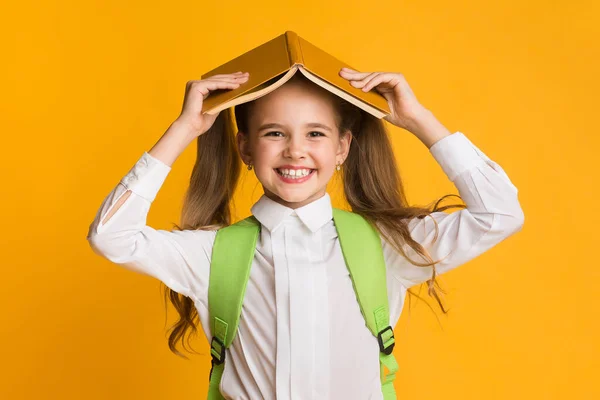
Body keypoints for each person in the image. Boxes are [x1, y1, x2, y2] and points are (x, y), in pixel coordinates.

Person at [87, 68, 524, 399]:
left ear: (342, 149)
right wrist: (184, 129)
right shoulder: (211, 253)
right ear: (244, 148)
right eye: (274, 133)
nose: (295, 149)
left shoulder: (386, 246)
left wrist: (418, 119)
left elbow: (499, 213)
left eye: (315, 133)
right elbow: (111, 235)